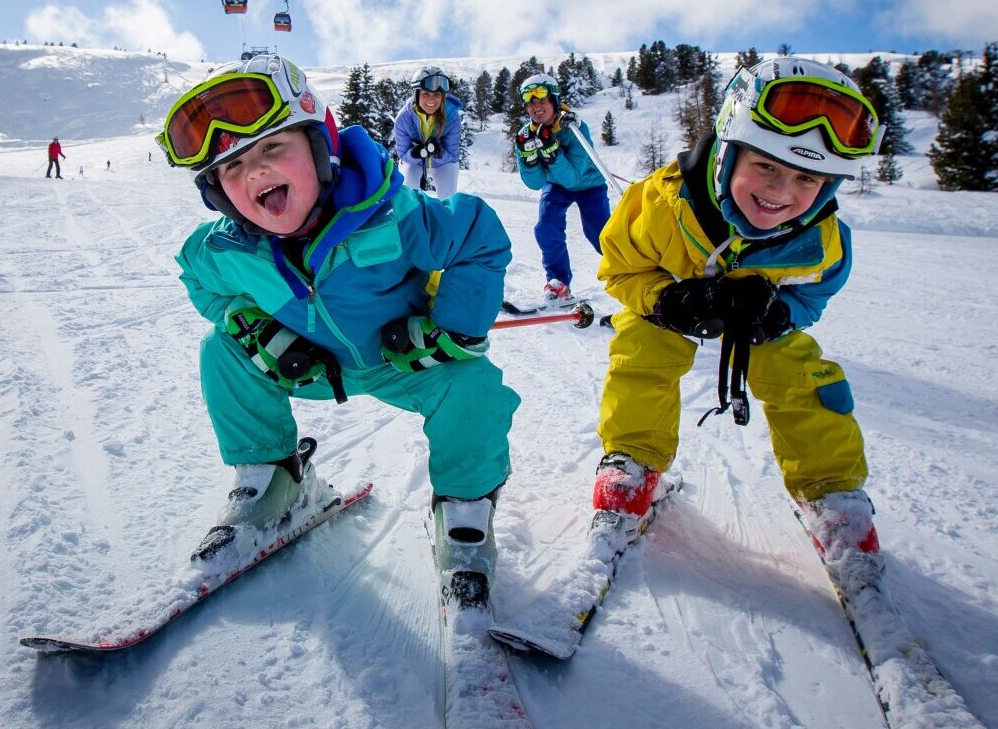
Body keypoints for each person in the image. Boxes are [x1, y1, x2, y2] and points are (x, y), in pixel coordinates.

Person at [159, 54, 518, 593]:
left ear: (321, 145)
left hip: (407, 361)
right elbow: (200, 281)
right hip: (314, 366)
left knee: (472, 386)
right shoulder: (225, 250)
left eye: (272, 147)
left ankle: (464, 509)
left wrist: (453, 330)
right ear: (217, 194)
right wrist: (253, 326)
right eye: (231, 168)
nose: (254, 172)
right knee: (222, 351)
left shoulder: (392, 213)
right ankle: (273, 479)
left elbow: (477, 233)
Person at [593, 57, 887, 588]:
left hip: (756, 321)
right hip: (675, 304)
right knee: (640, 348)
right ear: (729, 152)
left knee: (802, 372)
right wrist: (666, 299)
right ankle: (631, 464)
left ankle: (831, 493)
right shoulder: (659, 203)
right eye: (767, 166)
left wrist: (780, 314)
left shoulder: (821, 239)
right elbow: (619, 268)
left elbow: (815, 291)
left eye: (807, 178)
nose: (781, 192)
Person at [513, 73, 610, 307]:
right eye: (530, 101)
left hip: (588, 185)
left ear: (554, 101)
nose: (537, 106)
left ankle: (630, 274)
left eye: (542, 99)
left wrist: (552, 152)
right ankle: (558, 282)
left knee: (601, 235)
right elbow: (535, 183)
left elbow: (574, 176)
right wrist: (528, 159)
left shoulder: (575, 127)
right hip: (556, 185)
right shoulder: (527, 135)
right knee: (546, 227)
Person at [392, 66, 463, 196]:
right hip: (414, 163)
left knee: (448, 200)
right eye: (426, 94)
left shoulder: (452, 117)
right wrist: (414, 153)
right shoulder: (403, 119)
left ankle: (443, 216)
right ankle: (410, 215)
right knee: (408, 196)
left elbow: (452, 156)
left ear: (443, 97)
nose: (431, 100)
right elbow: (403, 155)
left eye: (436, 95)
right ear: (417, 95)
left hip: (444, 163)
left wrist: (440, 153)